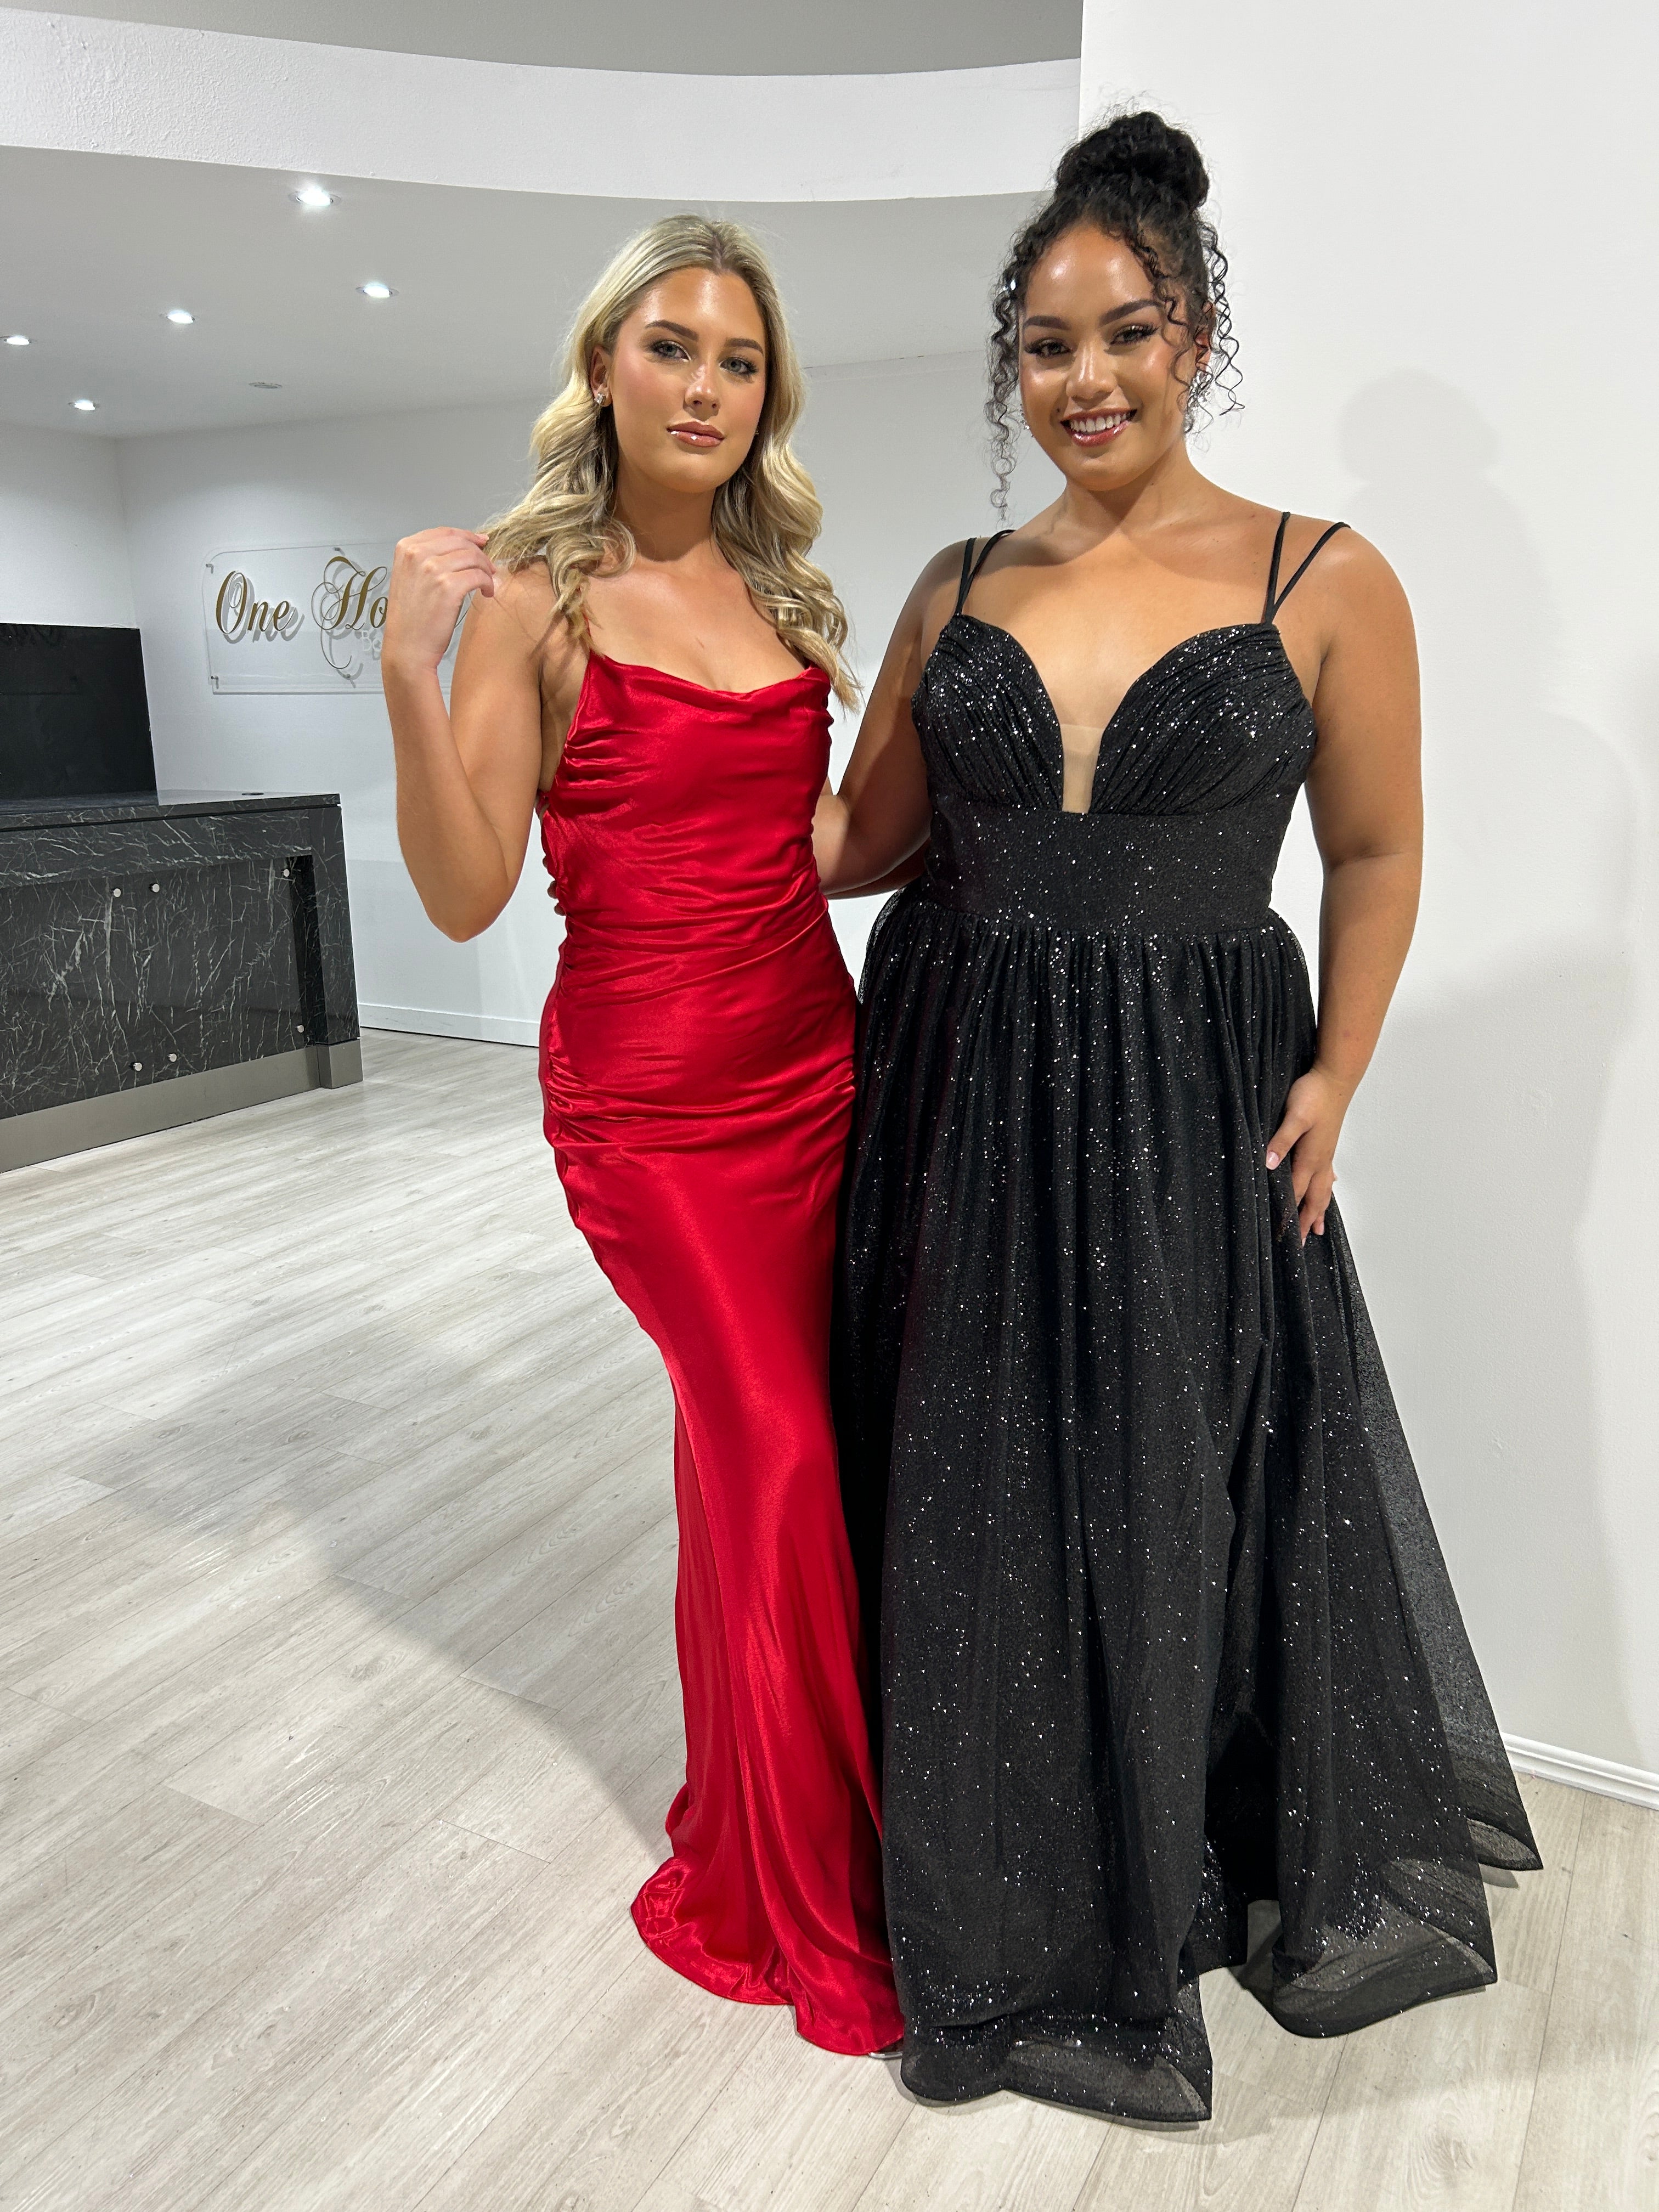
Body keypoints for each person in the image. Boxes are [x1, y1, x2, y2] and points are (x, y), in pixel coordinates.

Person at [817, 114, 1539, 2118]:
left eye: (1126, 333)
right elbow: (866, 849)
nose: (1089, 381)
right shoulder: (952, 582)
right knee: (967, 1488)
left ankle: (1159, 1879)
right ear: (1010, 370)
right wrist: (760, 717)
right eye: (1046, 349)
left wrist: (1339, 1073)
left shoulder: (1324, 574)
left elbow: (1379, 852)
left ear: (1196, 328)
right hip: (959, 1088)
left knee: (1166, 1482)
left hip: (1189, 1101)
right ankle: (997, 1900)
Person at [382, 216, 901, 2057]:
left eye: (740, 361)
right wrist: (405, 679)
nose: (706, 386)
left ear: (770, 401)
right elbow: (463, 897)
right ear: (606, 364)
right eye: (674, 348)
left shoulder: (781, 600)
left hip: (818, 1080)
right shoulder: (536, 598)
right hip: (652, 1113)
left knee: (777, 1459)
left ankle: (774, 1810)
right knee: (768, 1457)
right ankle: (807, 1893)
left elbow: (821, 850)